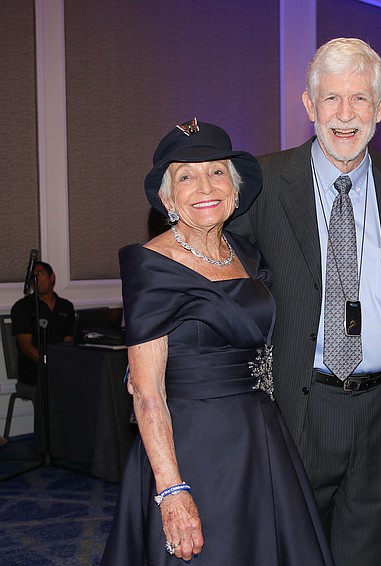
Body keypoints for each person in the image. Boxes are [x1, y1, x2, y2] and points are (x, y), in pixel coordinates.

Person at [228, 38, 381, 566]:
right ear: (308, 105)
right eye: (332, 99)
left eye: (360, 100)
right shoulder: (262, 183)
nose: (345, 116)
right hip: (297, 408)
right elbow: (210, 260)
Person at [101, 119, 333, 565]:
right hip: (192, 447)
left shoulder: (246, 253)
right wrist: (171, 489)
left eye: (216, 171)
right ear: (168, 199)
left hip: (260, 441)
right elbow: (147, 395)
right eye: (185, 176)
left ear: (235, 187)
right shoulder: (151, 266)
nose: (204, 185)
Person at [4, 261, 75, 447]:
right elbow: (25, 346)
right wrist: (48, 364)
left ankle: (78, 441)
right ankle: (50, 445)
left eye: (41, 273)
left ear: (52, 278)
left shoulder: (65, 306)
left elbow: (69, 342)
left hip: (61, 364)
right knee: (54, 380)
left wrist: (66, 364)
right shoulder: (23, 307)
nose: (37, 279)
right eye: (33, 277)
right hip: (33, 367)